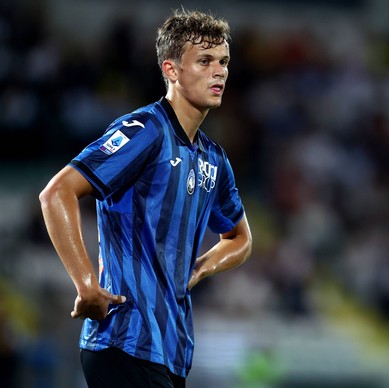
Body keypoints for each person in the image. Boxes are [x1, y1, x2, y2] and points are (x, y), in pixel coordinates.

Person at [38, 9, 252, 387]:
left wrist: (200, 268)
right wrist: (86, 284)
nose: (220, 71)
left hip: (171, 350)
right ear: (171, 70)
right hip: (123, 340)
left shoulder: (214, 159)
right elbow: (57, 192)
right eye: (204, 61)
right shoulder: (145, 131)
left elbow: (240, 238)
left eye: (224, 62)